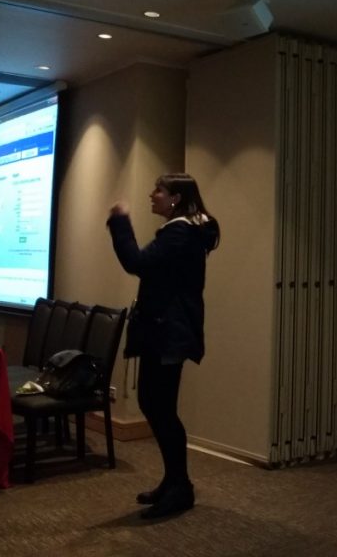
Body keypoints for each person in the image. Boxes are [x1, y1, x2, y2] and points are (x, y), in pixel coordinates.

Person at [107, 173, 220, 519]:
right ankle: (173, 481)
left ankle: (180, 487)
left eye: (159, 190)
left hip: (169, 332)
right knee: (155, 403)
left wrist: (120, 221)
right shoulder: (183, 231)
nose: (151, 194)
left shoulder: (180, 232)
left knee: (160, 407)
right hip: (164, 331)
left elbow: (137, 263)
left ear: (176, 198)